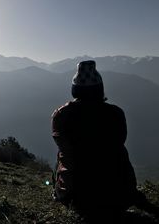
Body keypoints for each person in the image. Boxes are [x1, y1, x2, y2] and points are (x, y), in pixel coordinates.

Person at [51, 60, 156, 223]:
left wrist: (63, 193)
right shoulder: (116, 114)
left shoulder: (61, 116)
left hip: (79, 200)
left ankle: (61, 193)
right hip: (119, 197)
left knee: (62, 154)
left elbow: (68, 158)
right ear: (100, 89)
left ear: (75, 89)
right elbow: (118, 147)